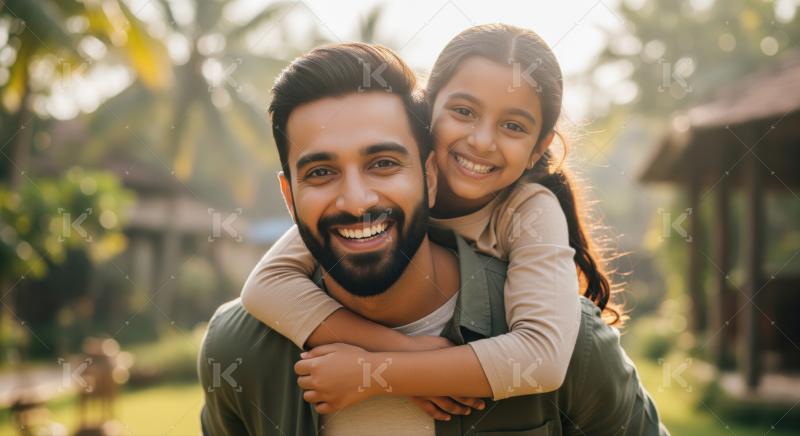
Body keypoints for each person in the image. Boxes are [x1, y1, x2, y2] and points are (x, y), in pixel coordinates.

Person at [199, 41, 668, 436]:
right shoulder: (240, 352)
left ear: (426, 171)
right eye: (321, 172)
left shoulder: (534, 229)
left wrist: (375, 373)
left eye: (383, 162)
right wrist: (402, 353)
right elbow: (264, 285)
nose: (357, 201)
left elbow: (543, 360)